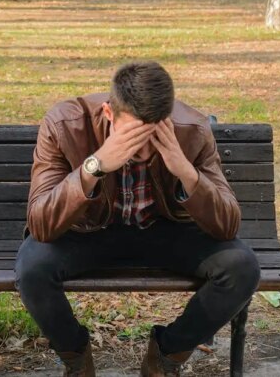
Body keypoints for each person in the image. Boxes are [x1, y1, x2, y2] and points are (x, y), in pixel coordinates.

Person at [15, 62, 259, 377]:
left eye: (153, 135)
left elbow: (227, 226)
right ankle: (76, 358)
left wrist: (184, 169)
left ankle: (165, 357)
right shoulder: (64, 124)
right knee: (32, 268)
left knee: (241, 267)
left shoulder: (193, 130)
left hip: (163, 232)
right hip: (89, 233)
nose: (141, 148)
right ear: (108, 113)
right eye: (131, 135)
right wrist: (95, 166)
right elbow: (41, 225)